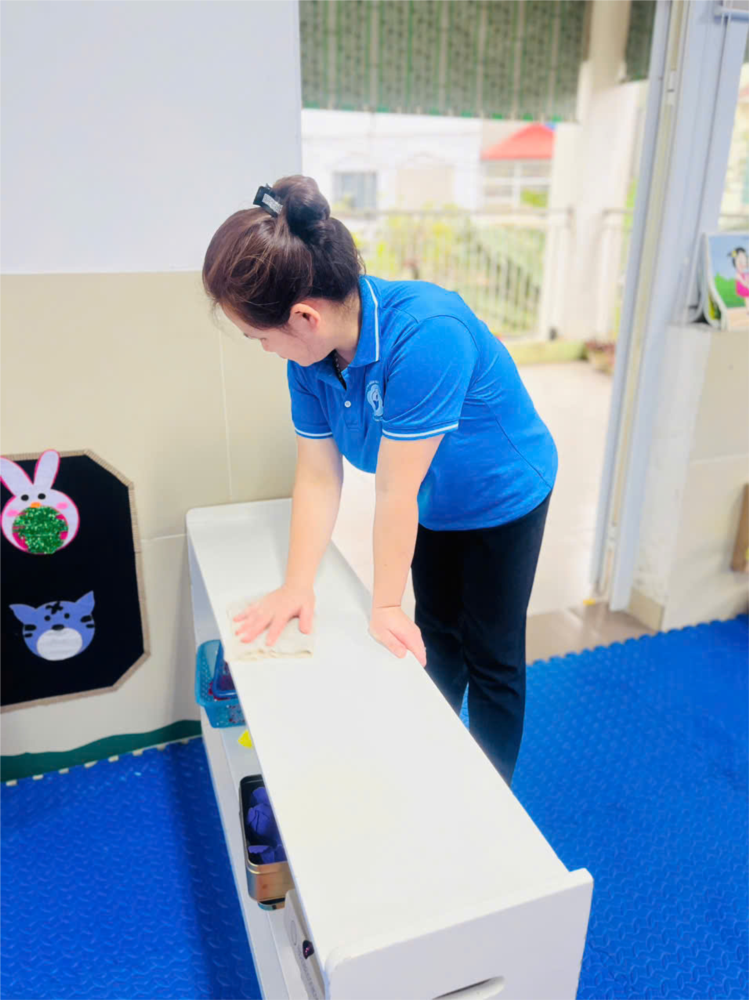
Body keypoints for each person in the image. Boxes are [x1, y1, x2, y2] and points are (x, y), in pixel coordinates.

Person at [202, 176, 557, 785]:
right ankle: (437, 754)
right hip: (432, 500)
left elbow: (394, 490)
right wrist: (296, 586)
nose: (263, 349)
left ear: (304, 317)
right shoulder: (310, 357)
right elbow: (318, 475)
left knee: (492, 654)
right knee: (435, 634)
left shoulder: (427, 334)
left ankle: (489, 791)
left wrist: (385, 603)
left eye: (260, 337)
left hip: (501, 493)